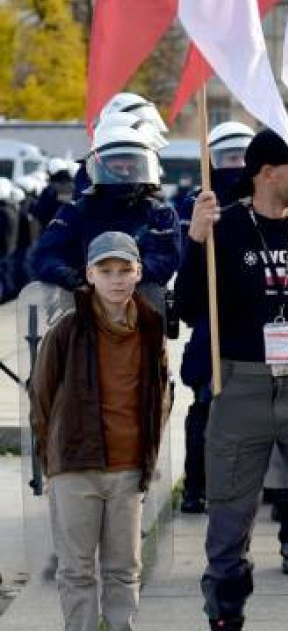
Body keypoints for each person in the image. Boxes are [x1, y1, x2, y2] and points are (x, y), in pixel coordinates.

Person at [175, 128, 288, 631]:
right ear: (267, 173)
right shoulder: (225, 229)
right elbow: (189, 309)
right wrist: (195, 239)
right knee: (229, 512)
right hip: (241, 387)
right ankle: (226, 612)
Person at [29, 231, 169, 631]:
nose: (116, 279)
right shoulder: (67, 327)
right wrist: (53, 457)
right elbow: (41, 396)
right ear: (90, 274)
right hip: (74, 467)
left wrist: (148, 455)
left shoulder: (150, 327)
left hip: (127, 468)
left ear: (138, 272)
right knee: (76, 571)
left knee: (124, 568)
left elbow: (161, 395)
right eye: (106, 270)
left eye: (125, 270)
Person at [176, 121, 255, 514]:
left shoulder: (260, 202)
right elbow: (184, 265)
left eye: (243, 156)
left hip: (253, 321)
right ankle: (196, 486)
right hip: (211, 321)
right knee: (205, 406)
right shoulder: (197, 202)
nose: (236, 165)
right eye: (228, 157)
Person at [30, 124, 181, 321]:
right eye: (117, 166)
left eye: (132, 166)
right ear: (100, 166)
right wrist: (70, 276)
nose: (125, 172)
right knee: (58, 342)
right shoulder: (76, 210)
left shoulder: (159, 213)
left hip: (141, 312)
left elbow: (166, 258)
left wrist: (125, 277)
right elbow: (46, 254)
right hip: (82, 304)